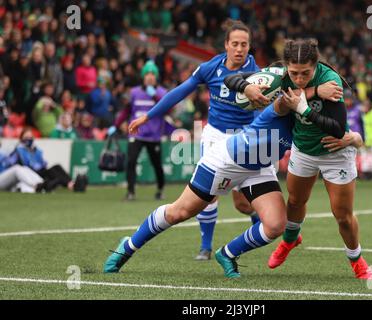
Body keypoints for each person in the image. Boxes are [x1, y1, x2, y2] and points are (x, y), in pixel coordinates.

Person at [103, 82, 356, 278]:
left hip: (259, 169)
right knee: (179, 212)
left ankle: (227, 253)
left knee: (276, 224)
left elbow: (346, 133)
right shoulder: (281, 107)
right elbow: (284, 101)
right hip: (226, 161)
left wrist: (351, 138)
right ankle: (127, 247)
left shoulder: (310, 122)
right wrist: (315, 90)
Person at [228, 38, 372, 280]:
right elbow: (231, 79)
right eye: (294, 73)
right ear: (286, 66)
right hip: (304, 150)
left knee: (342, 217)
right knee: (295, 202)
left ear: (315, 65)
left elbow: (337, 129)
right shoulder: (278, 75)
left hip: (335, 152)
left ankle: (356, 259)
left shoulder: (330, 79)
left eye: (305, 73)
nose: (298, 78)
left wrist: (304, 108)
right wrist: (246, 87)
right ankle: (289, 240)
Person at [127, 20, 269, 261]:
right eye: (234, 43)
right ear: (226, 45)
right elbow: (179, 92)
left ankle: (264, 226)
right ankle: (206, 246)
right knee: (207, 195)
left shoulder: (260, 76)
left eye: (244, 44)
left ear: (249, 47)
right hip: (215, 137)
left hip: (245, 138)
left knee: (243, 204)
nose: (239, 49)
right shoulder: (210, 68)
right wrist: (148, 116)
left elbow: (264, 110)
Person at [108, 60, 169, 201]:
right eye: (147, 73)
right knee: (131, 161)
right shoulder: (134, 92)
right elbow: (126, 111)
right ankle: (130, 192)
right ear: (143, 76)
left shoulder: (161, 92)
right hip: (136, 133)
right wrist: (115, 125)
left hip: (154, 136)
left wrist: (154, 95)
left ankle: (160, 189)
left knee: (157, 165)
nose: (150, 76)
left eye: (152, 73)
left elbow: (168, 109)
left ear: (156, 76)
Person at [8, 127, 88, 193]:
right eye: (26, 137)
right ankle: (71, 185)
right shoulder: (19, 150)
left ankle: (72, 183)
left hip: (40, 170)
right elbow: (20, 163)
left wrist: (42, 163)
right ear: (22, 138)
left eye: (30, 137)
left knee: (57, 167)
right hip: (31, 172)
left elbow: (42, 161)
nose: (29, 139)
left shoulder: (35, 149)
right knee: (53, 172)